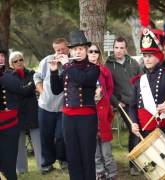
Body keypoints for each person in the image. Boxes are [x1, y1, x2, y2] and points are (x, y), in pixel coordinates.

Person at [129, 28, 165, 180]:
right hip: (145, 131)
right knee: (149, 170)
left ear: (159, 56)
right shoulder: (139, 80)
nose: (147, 59)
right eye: (145, 56)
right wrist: (134, 123)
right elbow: (132, 106)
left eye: (151, 55)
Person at [50, 30, 100, 180]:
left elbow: (82, 80)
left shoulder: (93, 68)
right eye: (75, 49)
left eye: (81, 49)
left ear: (86, 50)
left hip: (86, 118)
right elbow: (56, 90)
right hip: (68, 118)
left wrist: (66, 65)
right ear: (71, 51)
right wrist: (53, 71)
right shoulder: (67, 68)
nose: (78, 52)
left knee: (87, 155)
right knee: (72, 155)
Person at [105, 36, 142, 175]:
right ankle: (133, 165)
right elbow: (107, 88)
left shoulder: (133, 63)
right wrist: (116, 102)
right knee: (134, 131)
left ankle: (142, 160)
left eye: (121, 48)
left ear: (126, 49)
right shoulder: (108, 65)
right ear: (113, 48)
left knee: (142, 130)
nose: (119, 51)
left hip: (139, 102)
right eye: (116, 48)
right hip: (124, 104)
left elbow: (141, 80)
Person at [33, 38, 68, 174]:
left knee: (61, 136)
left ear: (68, 48)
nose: (60, 52)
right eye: (57, 50)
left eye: (62, 49)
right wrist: (42, 92)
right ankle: (47, 163)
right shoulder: (47, 61)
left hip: (62, 108)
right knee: (46, 136)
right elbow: (37, 77)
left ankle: (63, 160)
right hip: (45, 107)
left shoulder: (69, 63)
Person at [0, 49, 34, 180]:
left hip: (9, 124)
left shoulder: (9, 74)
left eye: (2, 56)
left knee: (9, 165)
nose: (0, 58)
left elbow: (19, 88)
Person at [88, 43, 118, 180]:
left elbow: (110, 87)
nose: (93, 54)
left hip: (103, 111)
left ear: (99, 54)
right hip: (89, 112)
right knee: (94, 149)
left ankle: (112, 173)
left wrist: (104, 98)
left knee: (106, 149)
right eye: (90, 51)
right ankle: (100, 172)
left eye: (96, 51)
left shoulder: (104, 70)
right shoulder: (83, 70)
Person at [8, 51, 42, 173]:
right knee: (18, 143)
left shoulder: (32, 73)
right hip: (17, 114)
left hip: (33, 111)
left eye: (20, 59)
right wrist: (27, 87)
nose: (19, 62)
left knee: (38, 141)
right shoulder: (9, 77)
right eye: (15, 61)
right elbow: (21, 91)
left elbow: (26, 89)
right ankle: (21, 170)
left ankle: (43, 167)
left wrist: (24, 89)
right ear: (11, 64)